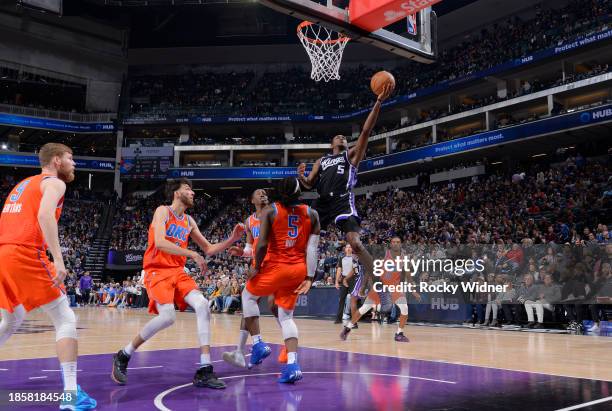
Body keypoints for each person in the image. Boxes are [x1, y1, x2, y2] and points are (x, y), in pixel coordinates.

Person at [111, 178, 244, 389]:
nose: (192, 192)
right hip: (156, 270)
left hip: (177, 271)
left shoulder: (189, 221)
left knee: (202, 305)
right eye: (188, 189)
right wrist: (191, 253)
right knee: (168, 317)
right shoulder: (163, 211)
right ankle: (124, 354)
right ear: (176, 192)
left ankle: (205, 369)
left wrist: (232, 238)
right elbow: (160, 242)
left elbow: (209, 249)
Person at [0, 143, 96, 410]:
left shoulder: (23, 184)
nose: (74, 163)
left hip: (3, 253)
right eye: (70, 158)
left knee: (12, 318)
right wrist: (58, 258)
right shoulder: (54, 183)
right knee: (65, 318)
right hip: (25, 252)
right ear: (56, 161)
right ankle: (70, 395)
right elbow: (44, 215)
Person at [297, 83, 394, 296]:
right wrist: (301, 176)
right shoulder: (321, 160)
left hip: (342, 200)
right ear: (332, 142)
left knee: (355, 243)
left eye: (344, 137)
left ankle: (380, 279)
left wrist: (378, 102)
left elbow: (366, 131)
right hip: (322, 202)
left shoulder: (350, 156)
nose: (341, 136)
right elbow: (309, 185)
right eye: (338, 136)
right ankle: (307, 277)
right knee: (306, 240)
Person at [239, 177, 320, 383]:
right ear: (298, 191)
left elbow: (263, 244)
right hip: (298, 270)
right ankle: (292, 365)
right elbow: (312, 249)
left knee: (247, 296)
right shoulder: (312, 213)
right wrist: (310, 277)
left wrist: (256, 267)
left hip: (276, 266)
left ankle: (258, 344)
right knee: (286, 317)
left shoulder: (270, 211)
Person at [223, 189, 288, 368]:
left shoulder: (274, 212)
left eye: (265, 192)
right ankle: (240, 351)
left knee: (271, 305)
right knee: (250, 306)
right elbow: (250, 248)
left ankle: (255, 347)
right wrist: (241, 253)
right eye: (258, 193)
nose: (263, 193)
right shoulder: (249, 221)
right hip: (259, 263)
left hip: (273, 262)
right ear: (252, 200)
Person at [341, 237, 420, 342]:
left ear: (401, 244)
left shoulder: (404, 258)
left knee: (404, 308)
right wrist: (363, 287)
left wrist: (413, 290)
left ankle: (399, 333)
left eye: (398, 242)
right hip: (381, 287)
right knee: (364, 309)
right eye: (393, 242)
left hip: (395, 288)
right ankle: (348, 328)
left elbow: (408, 275)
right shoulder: (383, 255)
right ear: (391, 244)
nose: (396, 244)